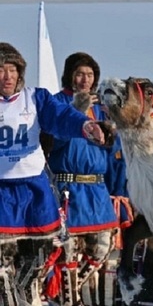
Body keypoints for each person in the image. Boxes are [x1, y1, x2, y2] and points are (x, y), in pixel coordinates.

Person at [0, 43, 110, 306]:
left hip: (34, 191)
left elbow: (61, 117)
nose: (7, 76)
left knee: (39, 257)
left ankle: (26, 292)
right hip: (2, 192)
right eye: (1, 70)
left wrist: (85, 125)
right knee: (2, 266)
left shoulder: (35, 98)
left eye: (12, 70)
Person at [44, 52, 119, 305]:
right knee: (70, 253)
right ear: (70, 76)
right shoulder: (56, 103)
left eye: (89, 74)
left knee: (102, 247)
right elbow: (50, 142)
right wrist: (74, 113)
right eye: (79, 74)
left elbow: (112, 151)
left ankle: (67, 293)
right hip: (67, 185)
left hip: (97, 188)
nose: (85, 79)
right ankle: (70, 301)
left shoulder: (101, 108)